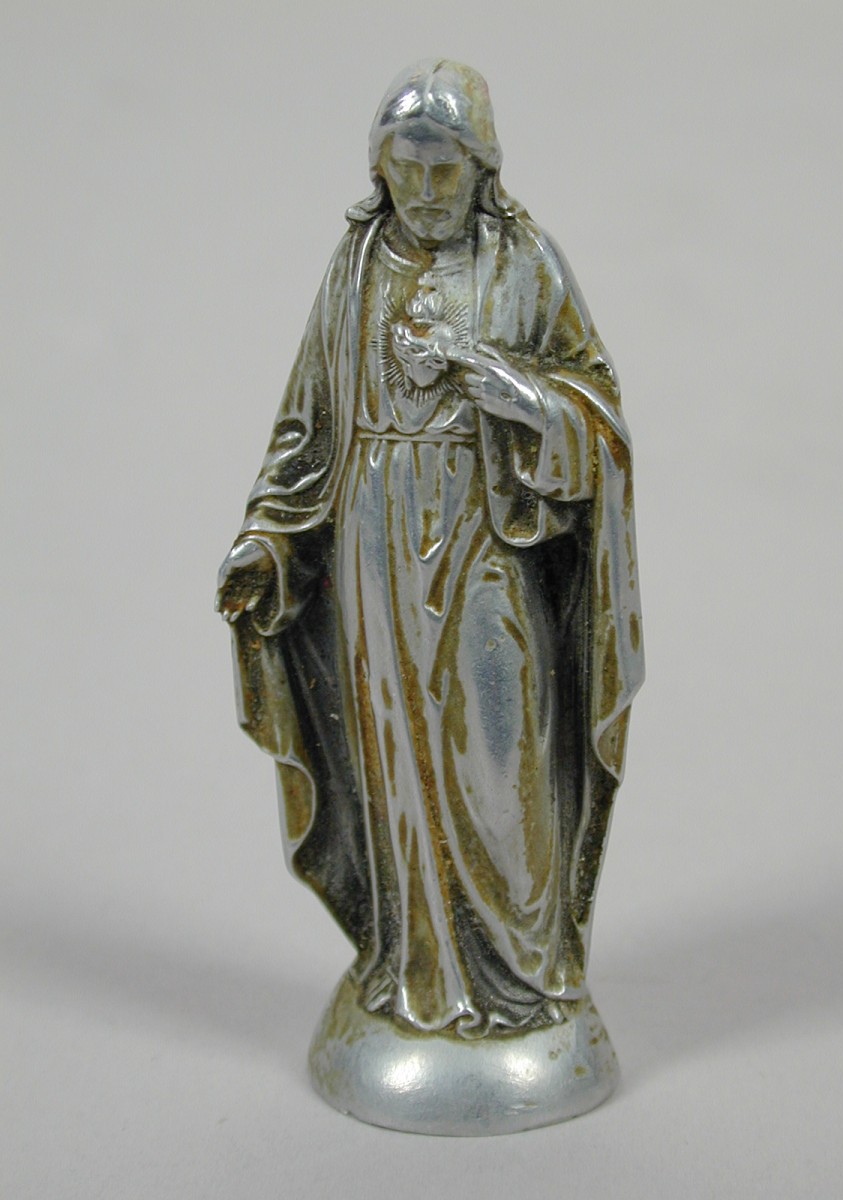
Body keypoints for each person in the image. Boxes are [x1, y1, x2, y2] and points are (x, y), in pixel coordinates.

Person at [216, 59, 643, 1039]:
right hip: (374, 552)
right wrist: (269, 542)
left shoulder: (524, 264)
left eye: (444, 168)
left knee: (503, 757)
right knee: (396, 770)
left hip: (487, 541)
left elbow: (604, 425)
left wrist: (526, 399)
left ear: (483, 168)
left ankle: (528, 976)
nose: (424, 190)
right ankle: (418, 971)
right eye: (403, 169)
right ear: (379, 171)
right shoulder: (357, 267)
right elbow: (308, 429)